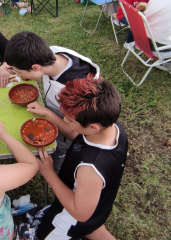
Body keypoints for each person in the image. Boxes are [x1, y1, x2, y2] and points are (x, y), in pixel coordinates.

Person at [27, 75, 128, 240]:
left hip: (71, 219)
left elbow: (80, 213)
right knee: (91, 223)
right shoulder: (114, 127)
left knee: (44, 235)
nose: (65, 120)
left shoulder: (90, 169)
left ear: (92, 127)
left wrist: (48, 173)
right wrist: (46, 112)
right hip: (98, 204)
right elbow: (76, 134)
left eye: (69, 119)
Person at [4, 31, 100, 171]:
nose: (18, 75)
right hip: (60, 111)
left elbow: (74, 134)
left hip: (69, 130)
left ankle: (59, 166)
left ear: (36, 67)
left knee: (59, 154)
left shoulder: (73, 92)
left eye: (19, 72)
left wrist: (46, 112)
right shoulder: (53, 52)